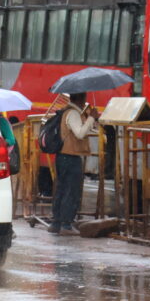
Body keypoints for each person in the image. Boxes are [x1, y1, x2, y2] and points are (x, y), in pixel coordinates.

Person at [48, 91, 99, 236]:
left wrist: (90, 119)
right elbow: (80, 133)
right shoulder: (73, 114)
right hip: (70, 156)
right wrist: (91, 118)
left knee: (61, 189)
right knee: (71, 191)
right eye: (85, 99)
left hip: (63, 156)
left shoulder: (67, 111)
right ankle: (66, 225)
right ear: (81, 99)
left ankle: (56, 223)